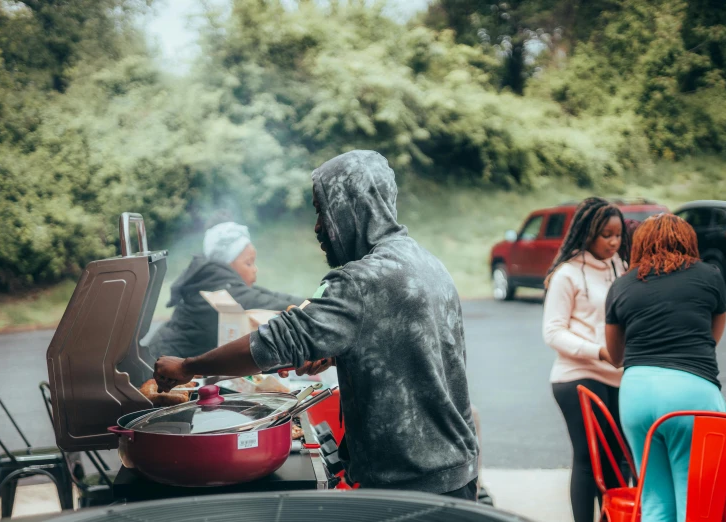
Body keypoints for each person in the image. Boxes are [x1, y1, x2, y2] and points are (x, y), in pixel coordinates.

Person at [152, 150, 480, 499]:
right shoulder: (426, 262)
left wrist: (188, 366)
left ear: (353, 207)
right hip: (455, 472)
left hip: (410, 485)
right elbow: (409, 346)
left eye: (322, 210)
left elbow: (277, 341)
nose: (318, 226)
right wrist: (341, 353)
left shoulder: (362, 281)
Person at [605, 213, 726, 522]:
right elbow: (711, 338)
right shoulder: (710, 276)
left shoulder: (622, 285)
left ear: (639, 244)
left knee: (655, 501)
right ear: (688, 241)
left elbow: (615, 355)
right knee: (696, 503)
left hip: (636, 395)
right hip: (691, 393)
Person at [542, 197, 630, 522]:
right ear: (587, 232)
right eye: (606, 234)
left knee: (617, 460)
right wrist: (598, 351)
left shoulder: (621, 267)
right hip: (576, 375)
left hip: (616, 377)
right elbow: (553, 332)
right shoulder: (568, 274)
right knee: (588, 457)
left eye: (618, 234)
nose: (614, 242)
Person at [146, 222, 303, 360]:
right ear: (227, 263)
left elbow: (269, 295)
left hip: (166, 358)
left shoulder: (216, 282)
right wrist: (319, 307)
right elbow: (270, 302)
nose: (255, 269)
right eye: (249, 263)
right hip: (161, 368)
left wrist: (317, 302)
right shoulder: (221, 292)